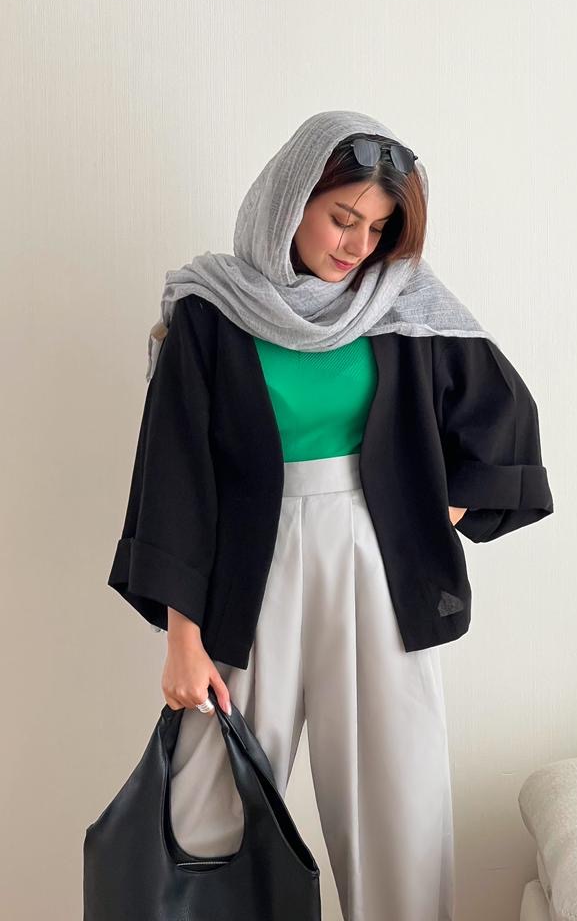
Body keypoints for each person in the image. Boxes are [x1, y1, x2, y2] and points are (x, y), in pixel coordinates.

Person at [108, 109, 553, 921]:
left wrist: (430, 511)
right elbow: (176, 476)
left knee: (398, 814)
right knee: (207, 816)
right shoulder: (211, 310)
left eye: (377, 229)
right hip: (246, 571)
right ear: (292, 198)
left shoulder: (403, 304)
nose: (356, 245)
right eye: (343, 217)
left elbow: (505, 415)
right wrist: (181, 640)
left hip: (378, 566)